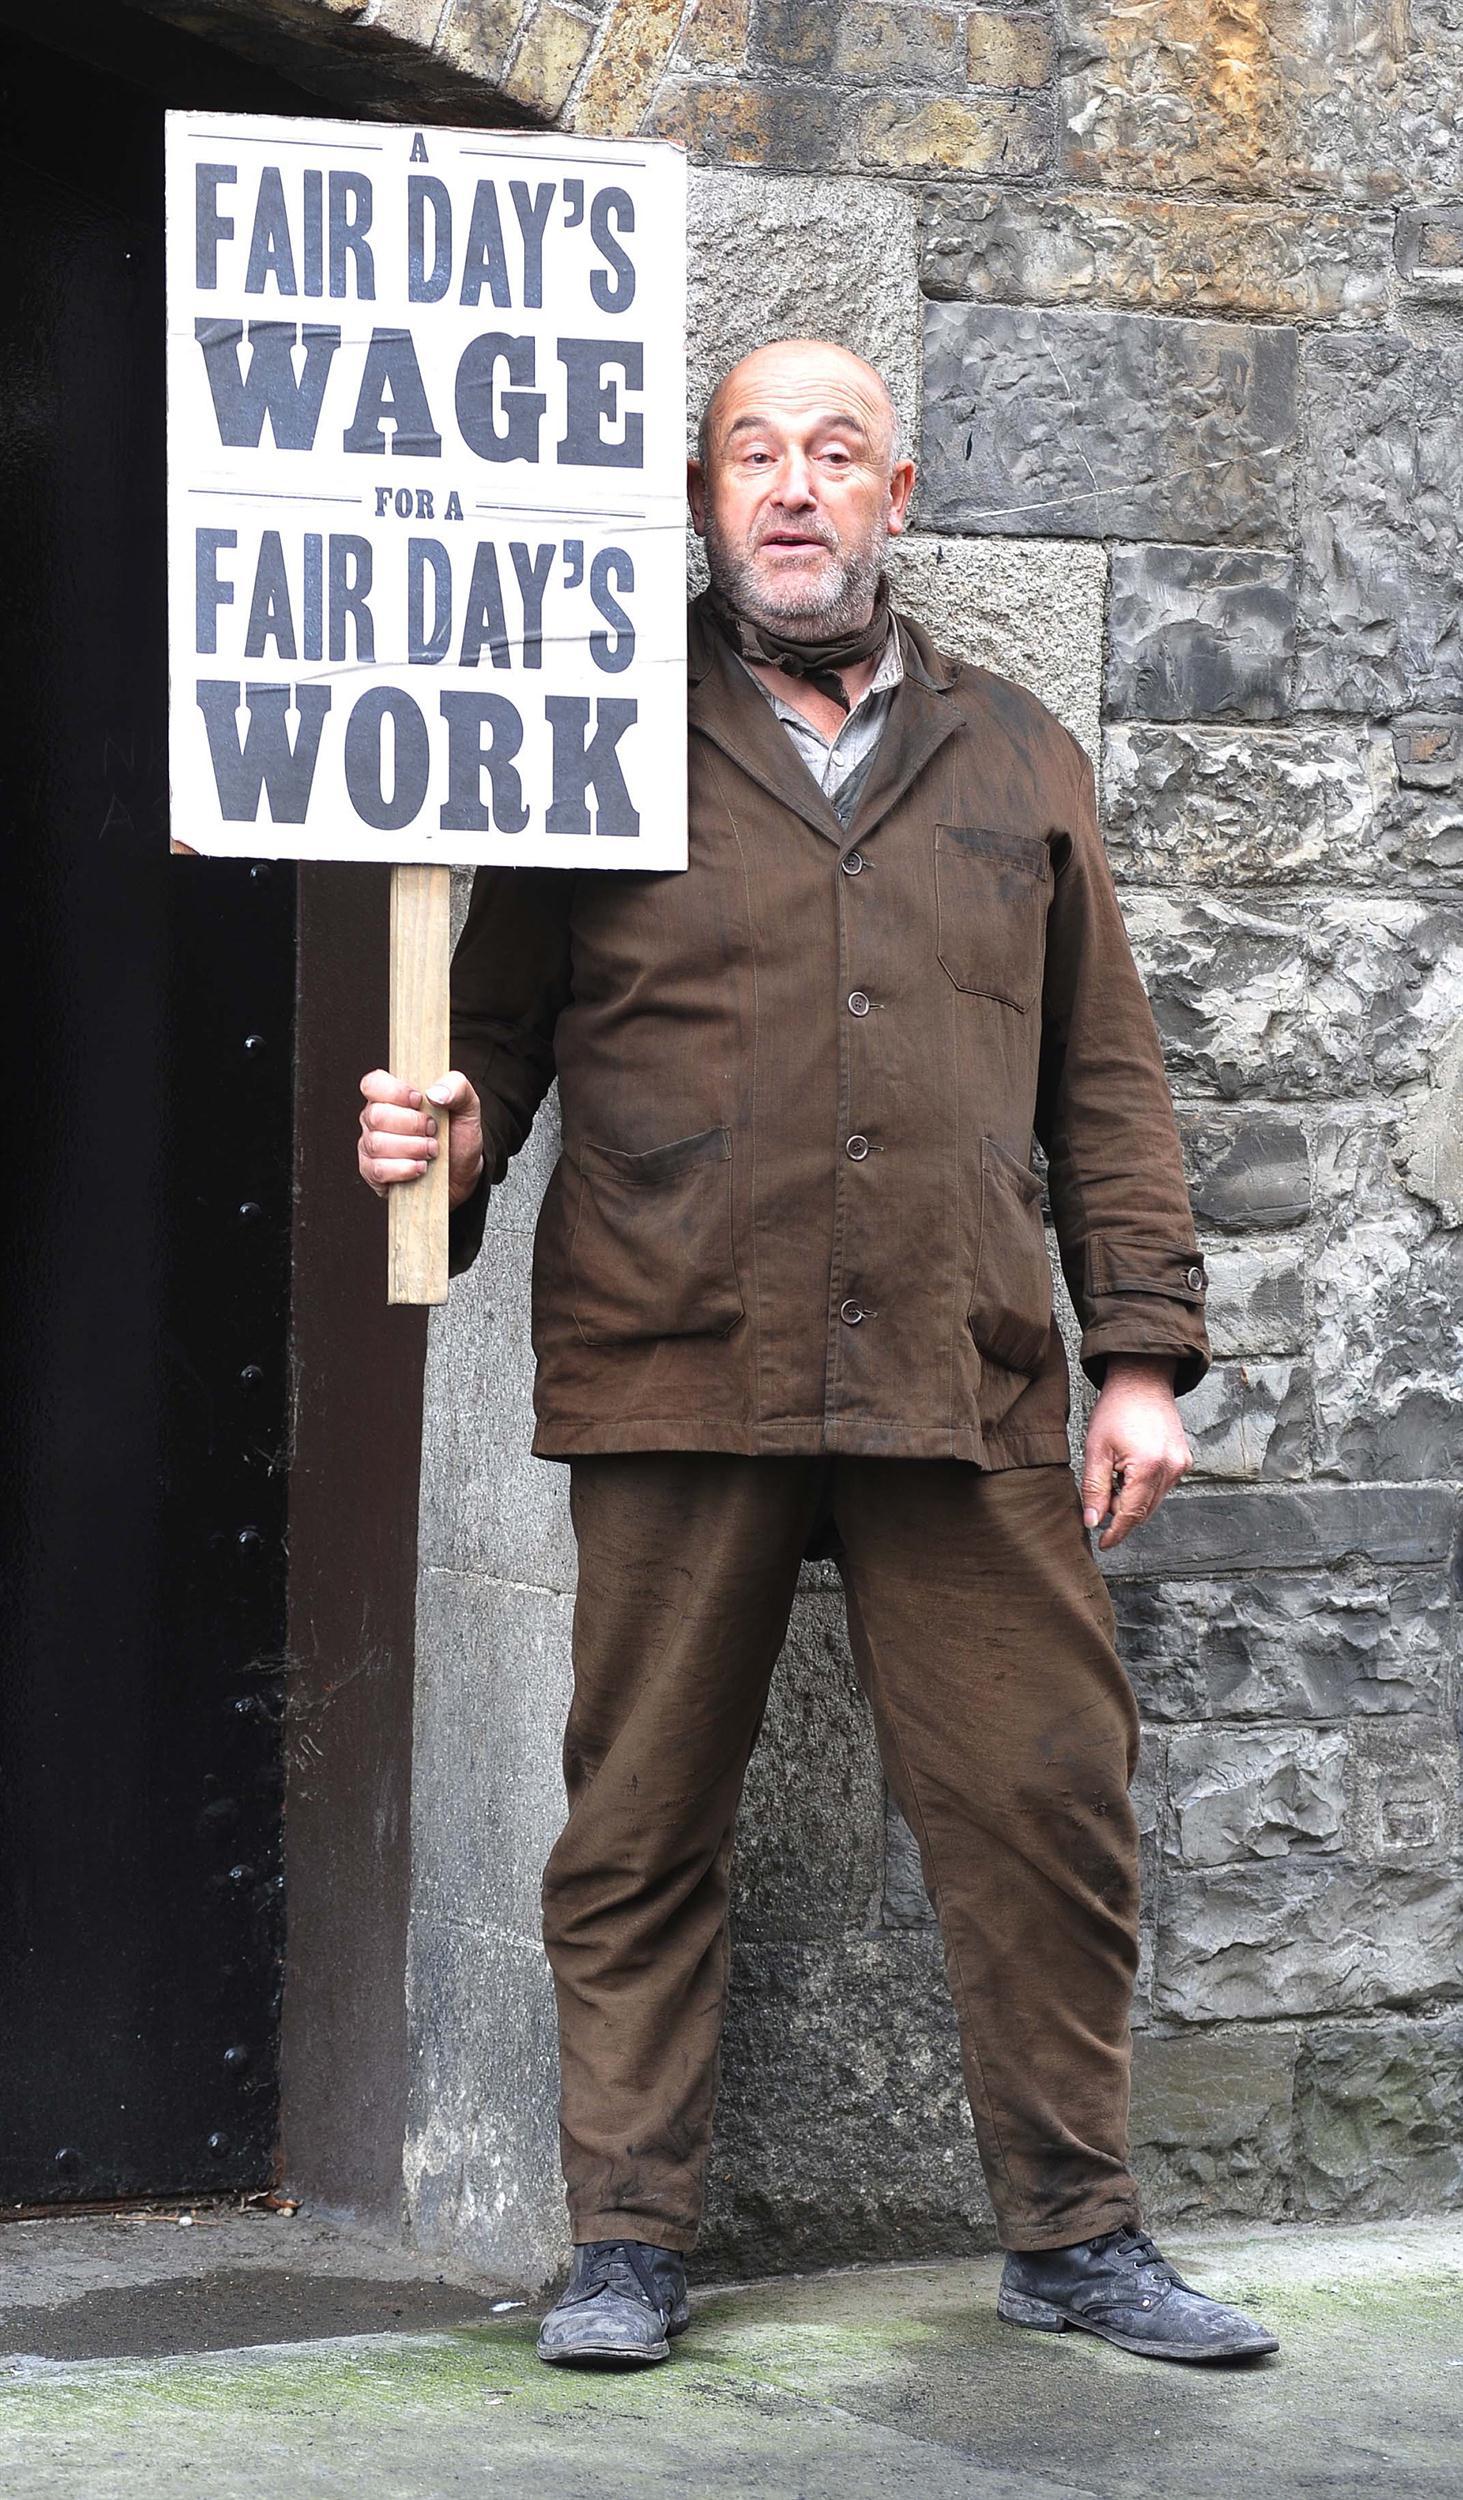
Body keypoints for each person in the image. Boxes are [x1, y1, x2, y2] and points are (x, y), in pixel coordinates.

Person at [358, 339, 1279, 2370]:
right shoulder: (580, 735)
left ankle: (1075, 2229)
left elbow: (1107, 1078)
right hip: (682, 1337)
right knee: (640, 1813)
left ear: (898, 488)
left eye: (833, 454)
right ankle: (624, 2242)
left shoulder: (1024, 751)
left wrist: (1140, 1355)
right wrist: (449, 1128)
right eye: (754, 456)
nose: (793, 488)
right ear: (706, 501)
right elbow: (490, 1025)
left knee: (1050, 1785)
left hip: (963, 1363)